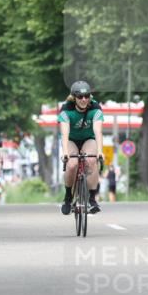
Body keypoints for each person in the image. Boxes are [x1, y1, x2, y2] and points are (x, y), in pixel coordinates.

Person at [59, 80, 105, 215]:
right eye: (80, 97)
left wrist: (100, 152)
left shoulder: (95, 108)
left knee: (91, 161)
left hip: (88, 139)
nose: (84, 99)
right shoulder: (66, 109)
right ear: (74, 97)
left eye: (87, 96)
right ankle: (68, 196)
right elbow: (64, 134)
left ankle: (92, 199)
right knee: (72, 164)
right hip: (72, 140)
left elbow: (98, 131)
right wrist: (66, 153)